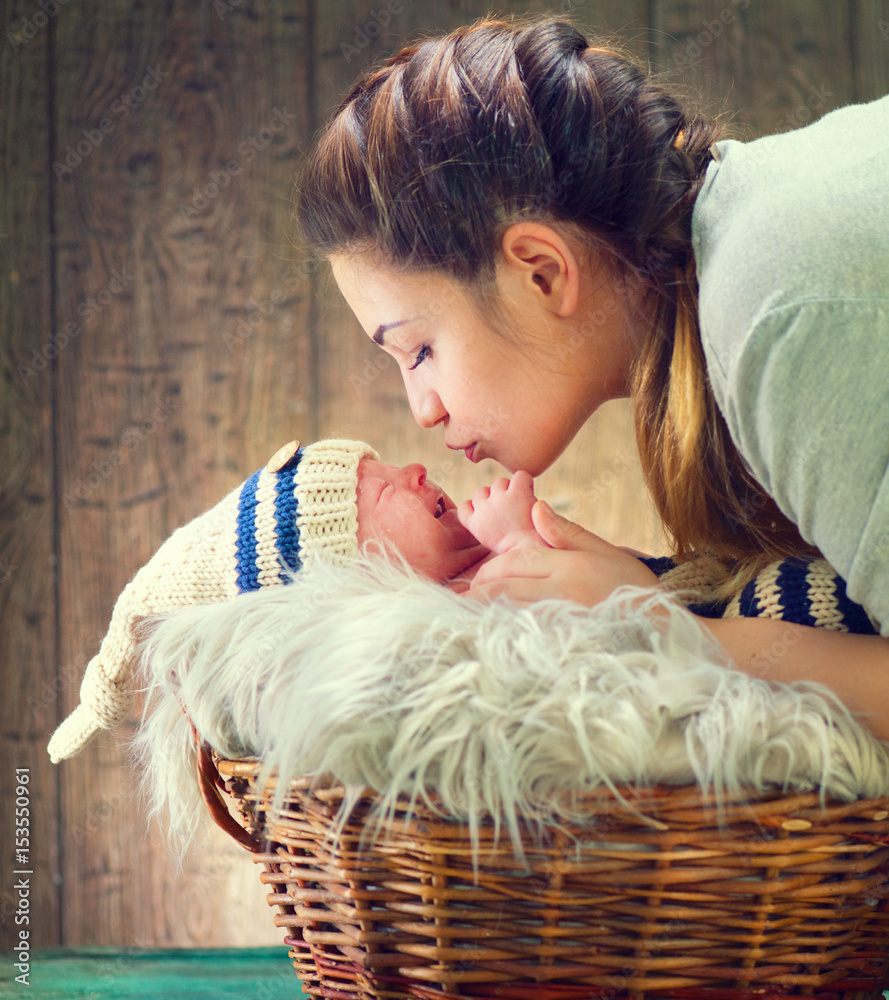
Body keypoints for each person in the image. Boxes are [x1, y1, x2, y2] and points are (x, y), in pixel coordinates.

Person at [292, 17, 889, 737]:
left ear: (540, 272)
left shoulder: (780, 309)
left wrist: (660, 633)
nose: (421, 409)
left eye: (418, 351)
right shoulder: (745, 258)